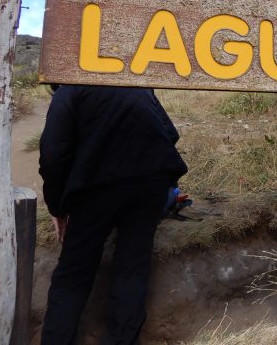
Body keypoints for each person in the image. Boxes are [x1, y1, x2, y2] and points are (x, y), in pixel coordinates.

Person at [39, 85, 187, 345]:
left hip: (96, 190)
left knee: (73, 274)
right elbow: (170, 133)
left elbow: (53, 156)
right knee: (133, 268)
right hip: (149, 184)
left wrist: (58, 208)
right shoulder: (136, 84)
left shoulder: (69, 90)